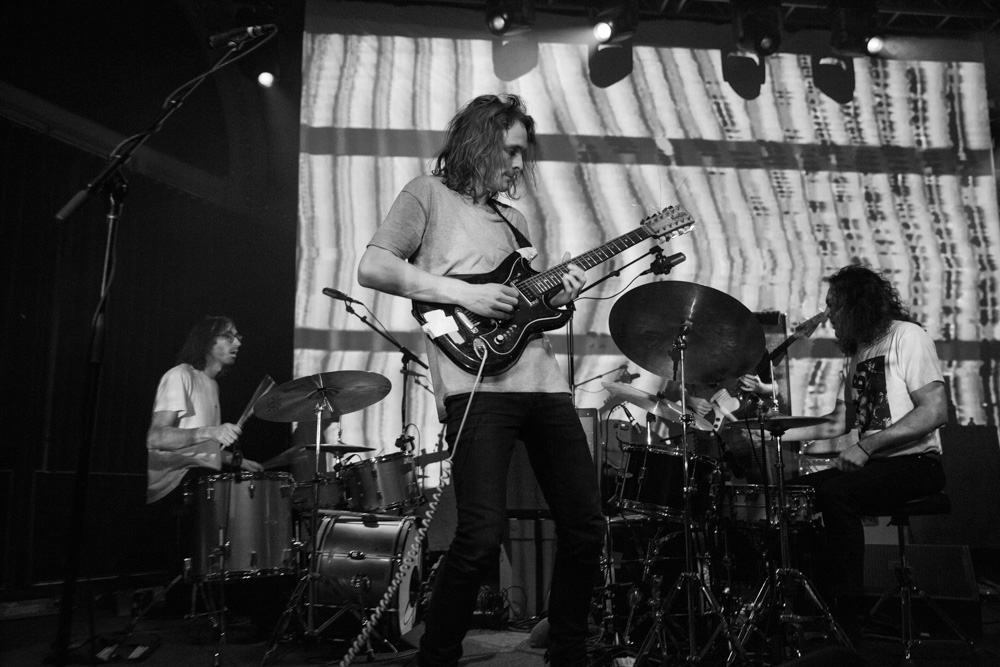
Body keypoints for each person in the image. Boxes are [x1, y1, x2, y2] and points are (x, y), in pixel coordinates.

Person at [357, 94, 605, 667]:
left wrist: (556, 293)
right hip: (476, 388)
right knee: (480, 535)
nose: (520, 165)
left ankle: (566, 651)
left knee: (586, 524)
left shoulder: (512, 221)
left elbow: (527, 306)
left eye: (524, 154)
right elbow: (374, 266)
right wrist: (466, 293)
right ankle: (437, 655)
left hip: (543, 383)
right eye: (512, 150)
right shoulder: (426, 193)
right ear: (480, 141)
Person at [780, 265, 948, 641]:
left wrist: (867, 446)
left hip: (918, 464)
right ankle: (813, 608)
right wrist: (775, 432)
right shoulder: (856, 354)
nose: (828, 318)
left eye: (833, 307)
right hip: (876, 464)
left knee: (835, 493)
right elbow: (841, 423)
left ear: (856, 305)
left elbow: (935, 411)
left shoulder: (908, 336)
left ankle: (847, 616)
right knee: (800, 493)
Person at [145, 316, 263, 579]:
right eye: (229, 336)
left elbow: (199, 446)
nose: (238, 342)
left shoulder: (212, 384)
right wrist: (212, 431)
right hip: (176, 482)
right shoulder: (180, 376)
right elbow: (156, 438)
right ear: (208, 342)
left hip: (199, 477)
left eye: (238, 336)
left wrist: (237, 460)